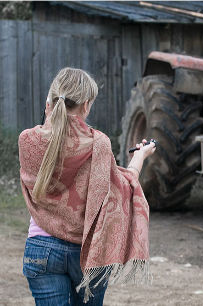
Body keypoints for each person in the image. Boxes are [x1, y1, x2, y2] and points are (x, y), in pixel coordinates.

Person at [18, 67, 155, 305]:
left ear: (49, 102)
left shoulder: (27, 140)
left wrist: (50, 112)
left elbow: (53, 146)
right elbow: (121, 186)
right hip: (87, 253)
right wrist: (140, 157)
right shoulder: (98, 144)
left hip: (41, 248)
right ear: (86, 105)